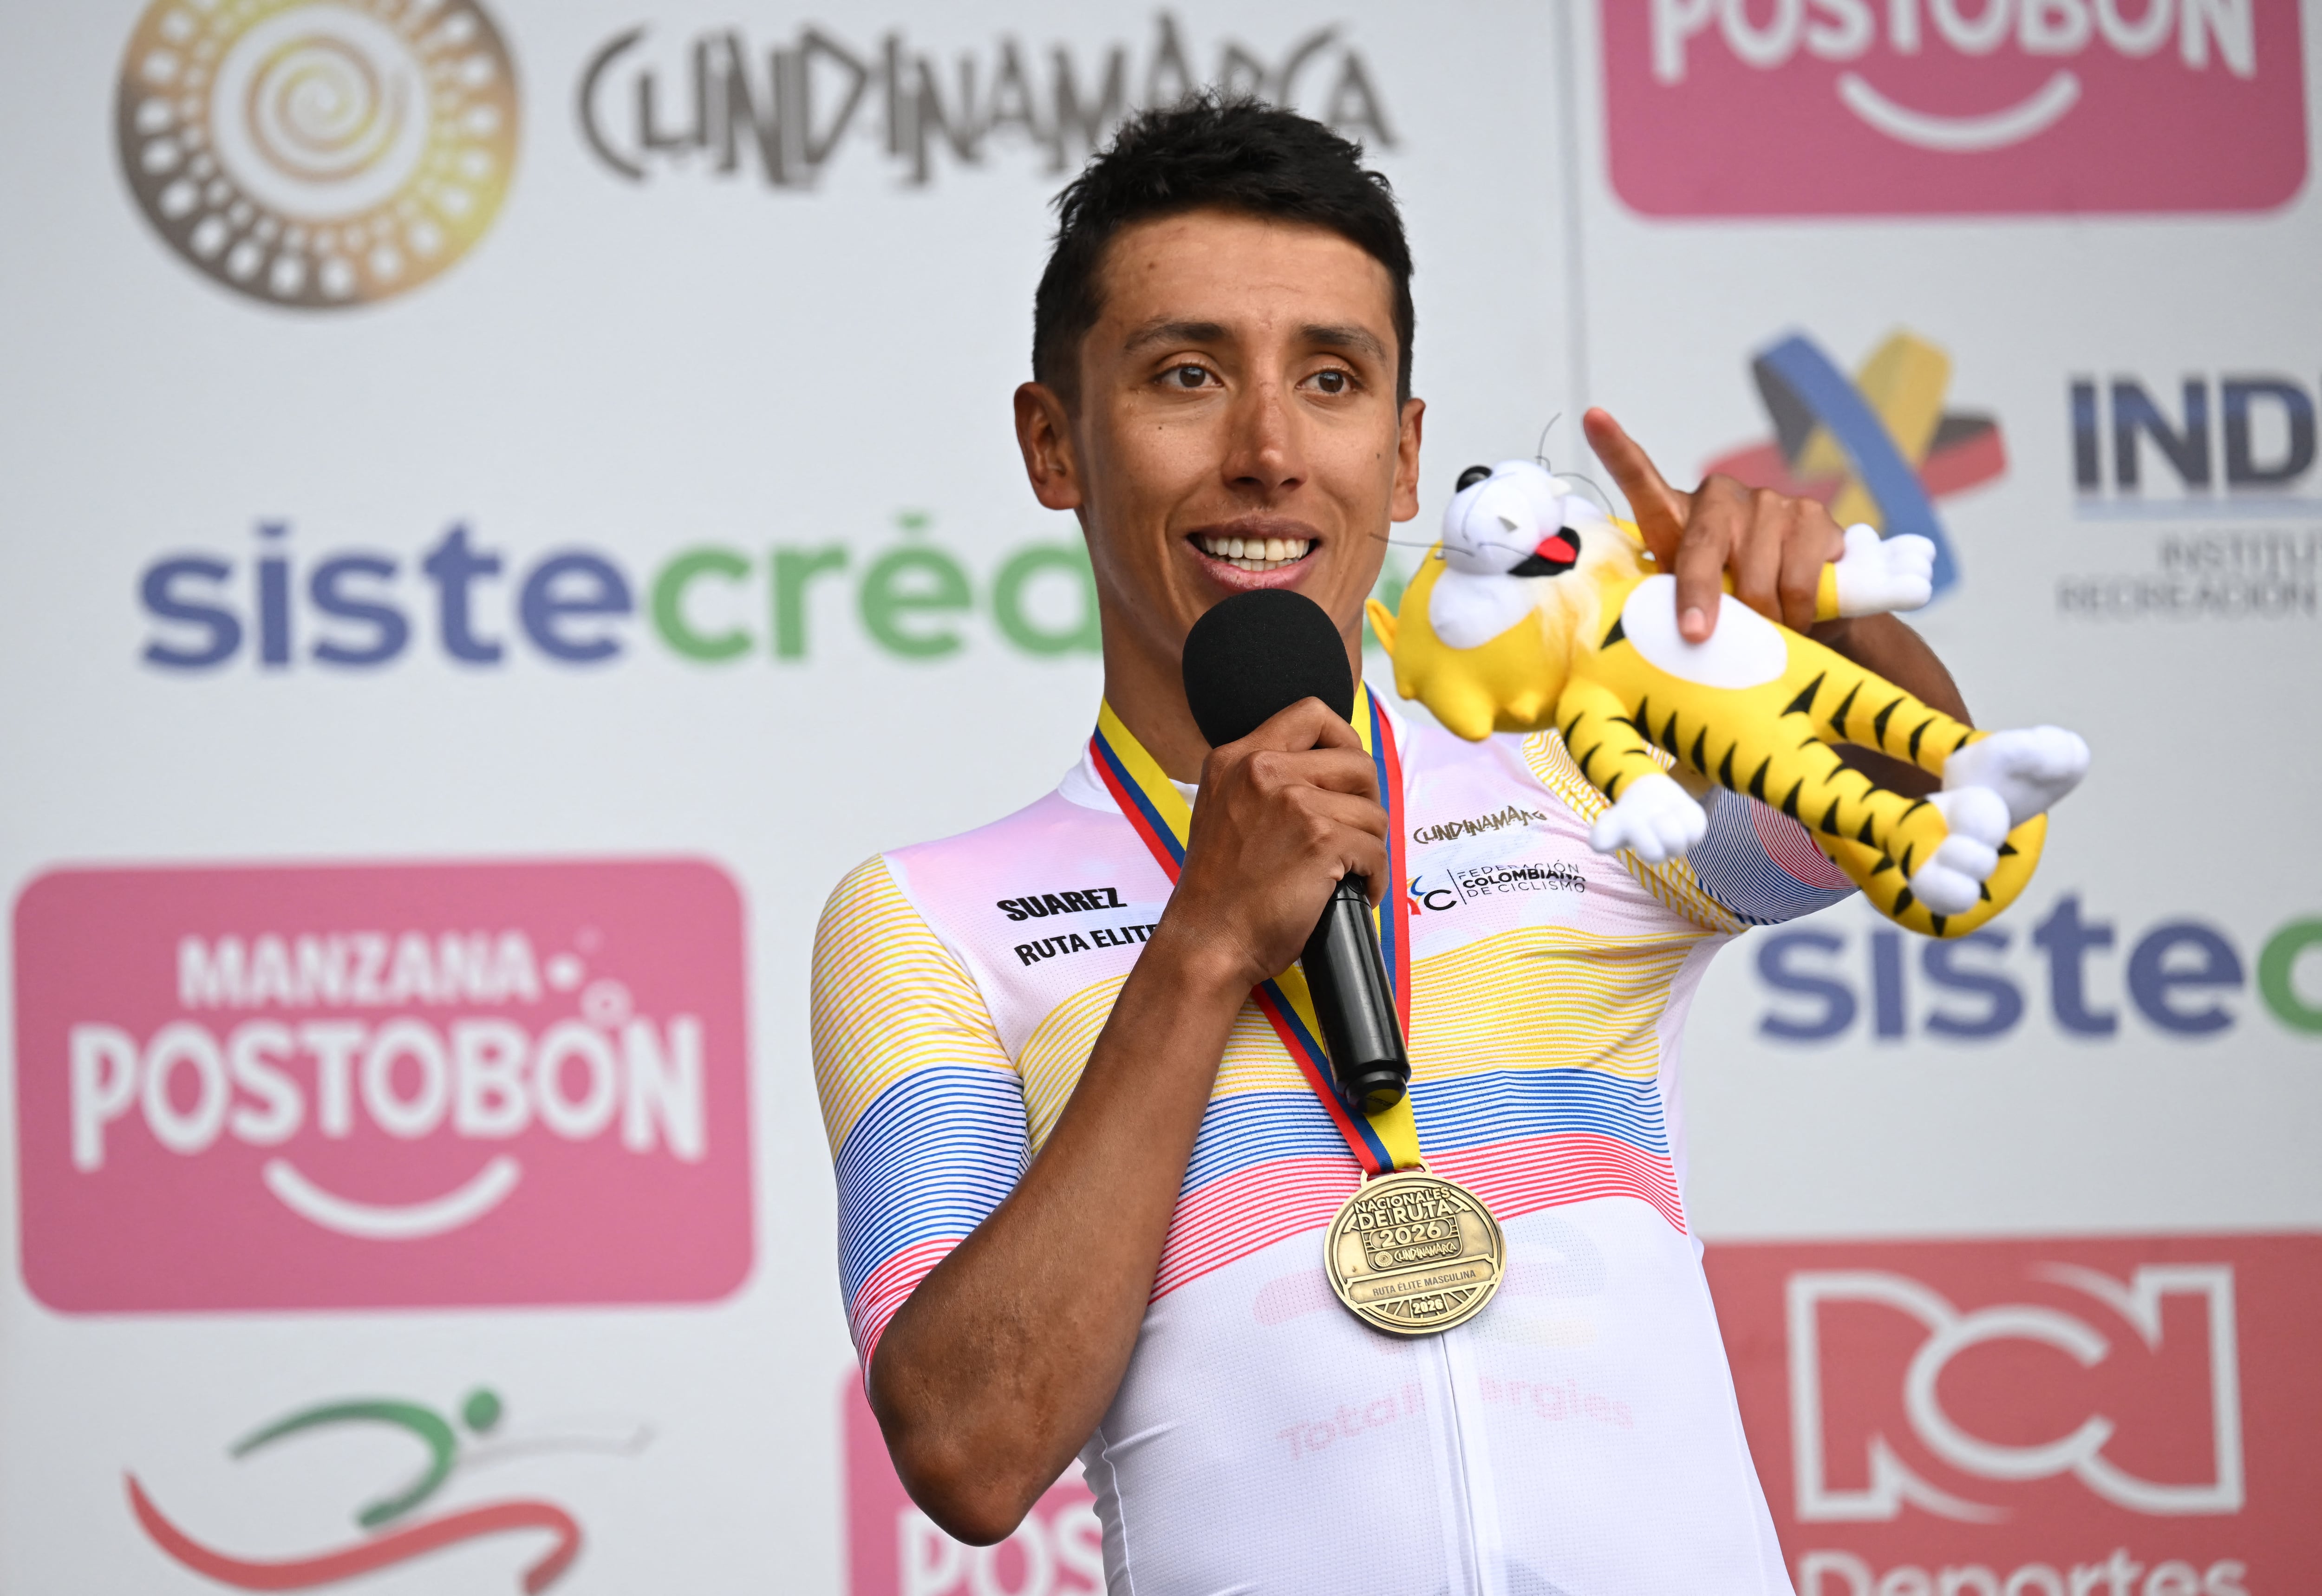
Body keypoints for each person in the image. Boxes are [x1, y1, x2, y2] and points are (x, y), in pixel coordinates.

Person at [812, 98, 1968, 1594]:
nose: (1271, 451)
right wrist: (1205, 946)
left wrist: (1838, 628)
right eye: (1185, 375)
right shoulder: (928, 920)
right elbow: (970, 1446)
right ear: (1055, 443)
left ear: (1408, 456)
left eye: (1334, 380)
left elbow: (1928, 812)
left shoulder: (1581, 765)